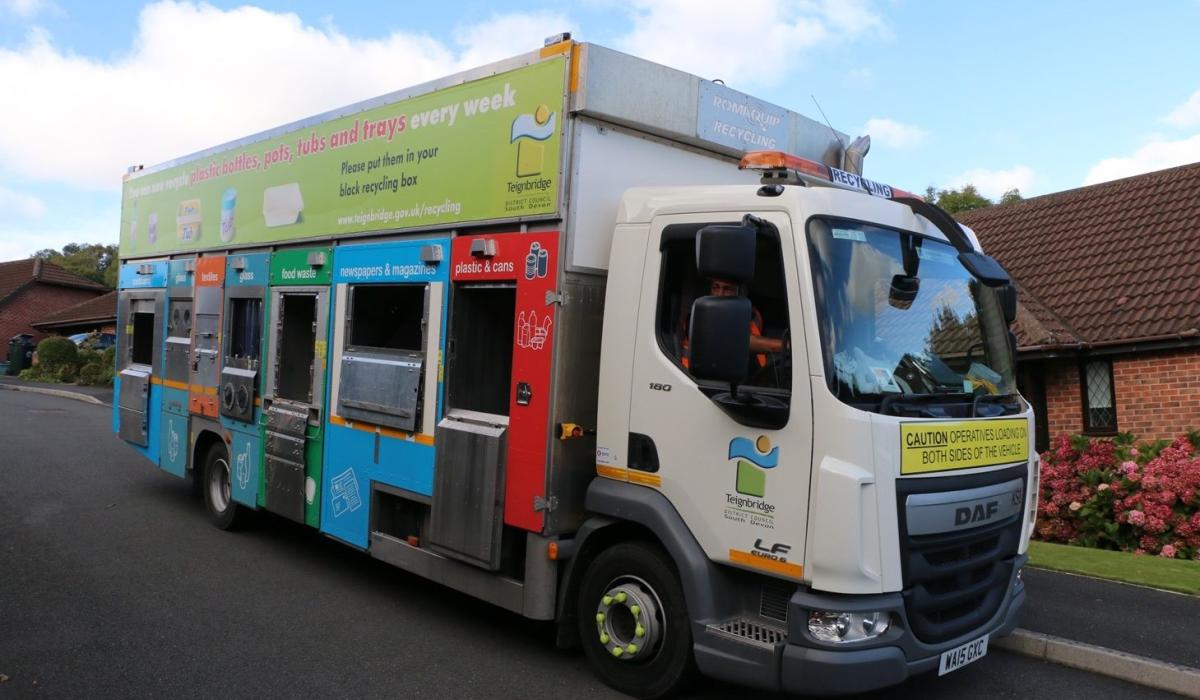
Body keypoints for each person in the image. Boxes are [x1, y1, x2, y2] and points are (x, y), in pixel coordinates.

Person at [680, 277, 787, 370]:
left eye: (727, 289)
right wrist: (787, 346)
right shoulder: (699, 317)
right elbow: (739, 340)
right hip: (694, 382)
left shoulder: (752, 315)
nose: (720, 294)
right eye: (715, 287)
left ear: (740, 293)